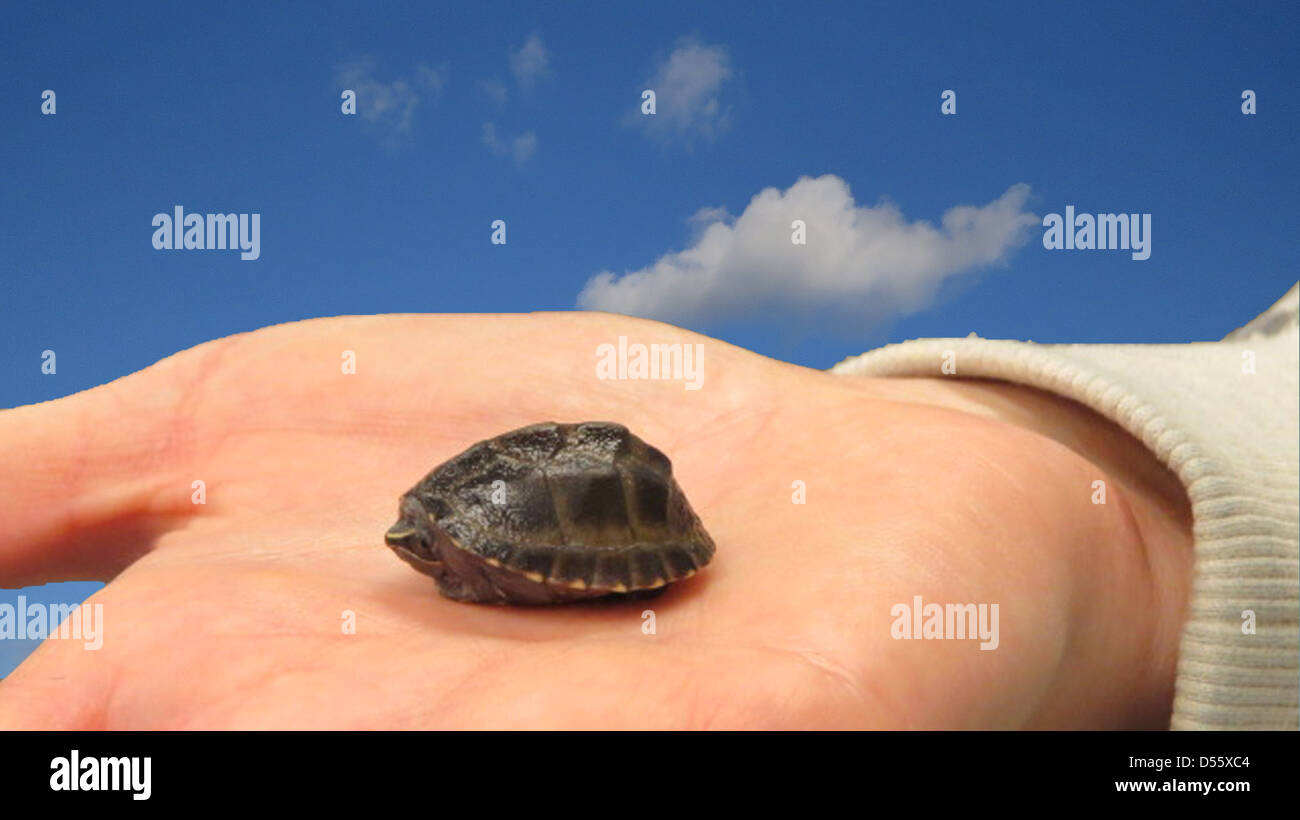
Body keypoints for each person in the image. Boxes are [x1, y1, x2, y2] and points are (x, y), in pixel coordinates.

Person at [0, 285, 1294, 729]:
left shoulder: (596, 536)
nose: (417, 556)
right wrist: (1135, 541)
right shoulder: (432, 528)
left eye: (430, 550)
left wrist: (1121, 535)